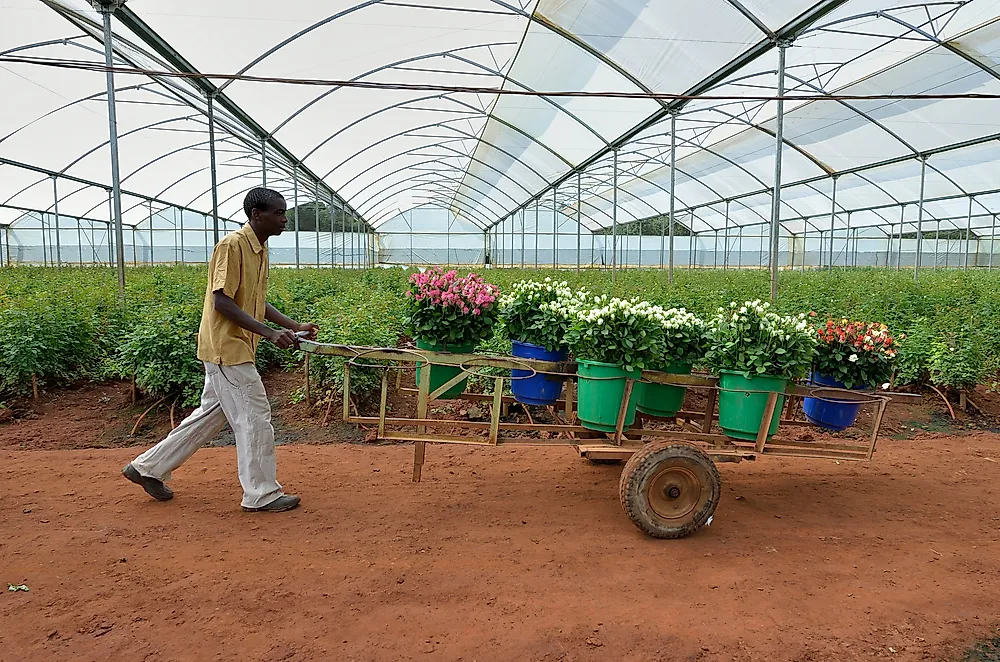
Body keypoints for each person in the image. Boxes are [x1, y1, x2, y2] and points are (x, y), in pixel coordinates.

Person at [122, 187, 318, 513]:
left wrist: (293, 325)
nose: (285, 219)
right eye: (279, 213)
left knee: (211, 417)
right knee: (254, 416)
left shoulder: (259, 250)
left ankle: (147, 468)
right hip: (227, 349)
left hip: (234, 347)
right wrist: (270, 334)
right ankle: (262, 494)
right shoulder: (232, 246)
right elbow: (222, 300)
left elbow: (255, 300)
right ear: (257, 215)